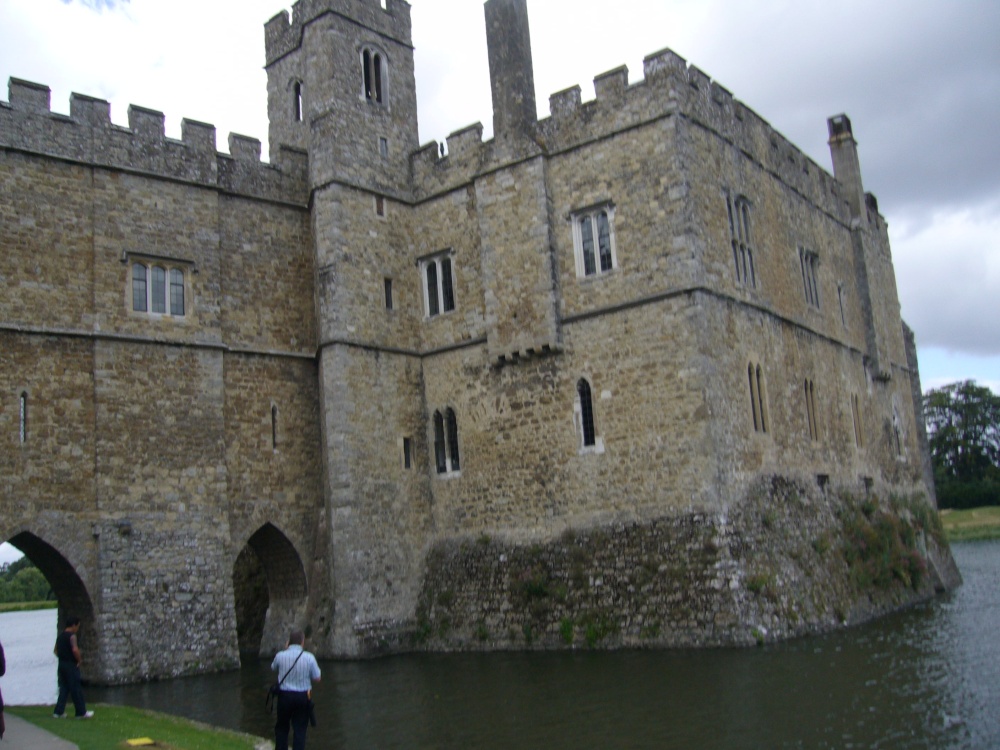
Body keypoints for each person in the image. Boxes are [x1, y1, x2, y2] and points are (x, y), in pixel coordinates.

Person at [271, 629, 321, 750]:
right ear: (302, 642)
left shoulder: (280, 655)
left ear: (289, 642)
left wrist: (285, 649)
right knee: (300, 729)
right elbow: (317, 678)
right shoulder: (309, 658)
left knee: (282, 728)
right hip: (303, 697)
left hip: (284, 696)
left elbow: (273, 667)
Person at [53, 616, 93, 719]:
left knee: (64, 689)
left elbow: (55, 651)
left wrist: (63, 657)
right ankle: (81, 712)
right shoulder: (72, 636)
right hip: (71, 665)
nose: (77, 629)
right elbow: (75, 650)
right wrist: (79, 660)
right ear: (73, 625)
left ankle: (58, 712)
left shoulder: (60, 636)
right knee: (76, 688)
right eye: (77, 626)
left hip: (62, 665)